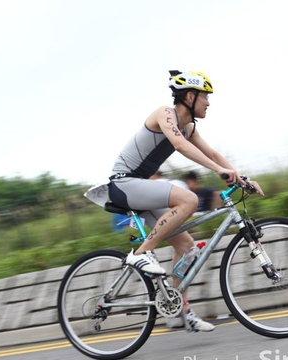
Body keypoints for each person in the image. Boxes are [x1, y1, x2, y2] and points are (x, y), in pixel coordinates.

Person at [108, 70, 264, 331]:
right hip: (124, 183)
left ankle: (179, 312)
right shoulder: (164, 114)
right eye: (205, 97)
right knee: (188, 200)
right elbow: (179, 145)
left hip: (141, 187)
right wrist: (218, 171)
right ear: (190, 97)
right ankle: (141, 254)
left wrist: (243, 179)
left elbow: (213, 154)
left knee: (187, 248)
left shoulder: (188, 127)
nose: (208, 103)